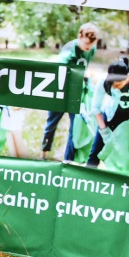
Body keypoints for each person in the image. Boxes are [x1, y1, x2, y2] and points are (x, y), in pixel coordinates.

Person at [40, 22, 100, 160]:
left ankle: (69, 160)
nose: (88, 48)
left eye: (90, 46)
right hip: (60, 92)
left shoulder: (92, 48)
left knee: (76, 126)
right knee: (51, 124)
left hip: (77, 92)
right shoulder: (68, 51)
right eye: (86, 45)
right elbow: (58, 71)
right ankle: (43, 154)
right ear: (80, 36)